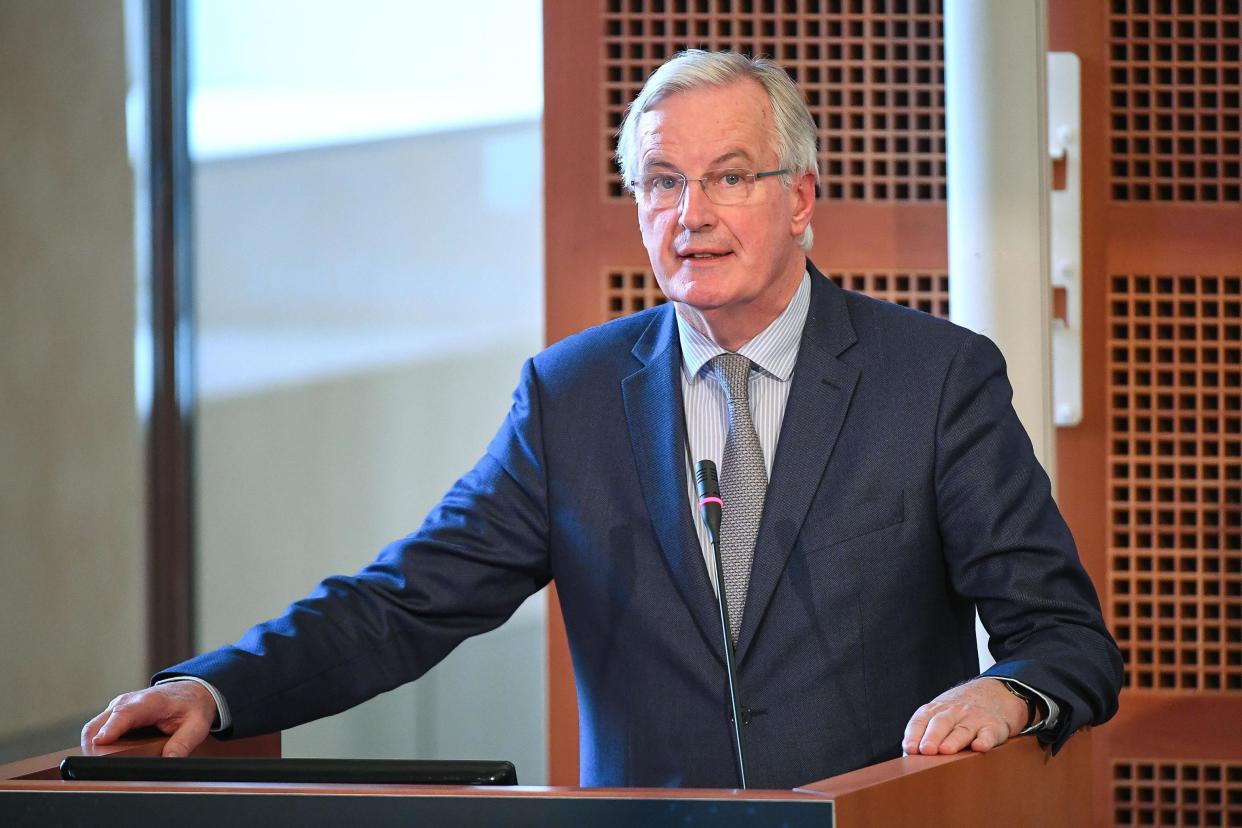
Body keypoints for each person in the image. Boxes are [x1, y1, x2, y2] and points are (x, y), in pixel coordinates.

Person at [84, 50, 1122, 788]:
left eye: (728, 178)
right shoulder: (571, 395)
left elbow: (1065, 639)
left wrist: (1010, 696)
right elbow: (406, 599)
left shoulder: (934, 379)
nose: (690, 214)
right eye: (661, 182)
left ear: (801, 197)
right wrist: (217, 690)